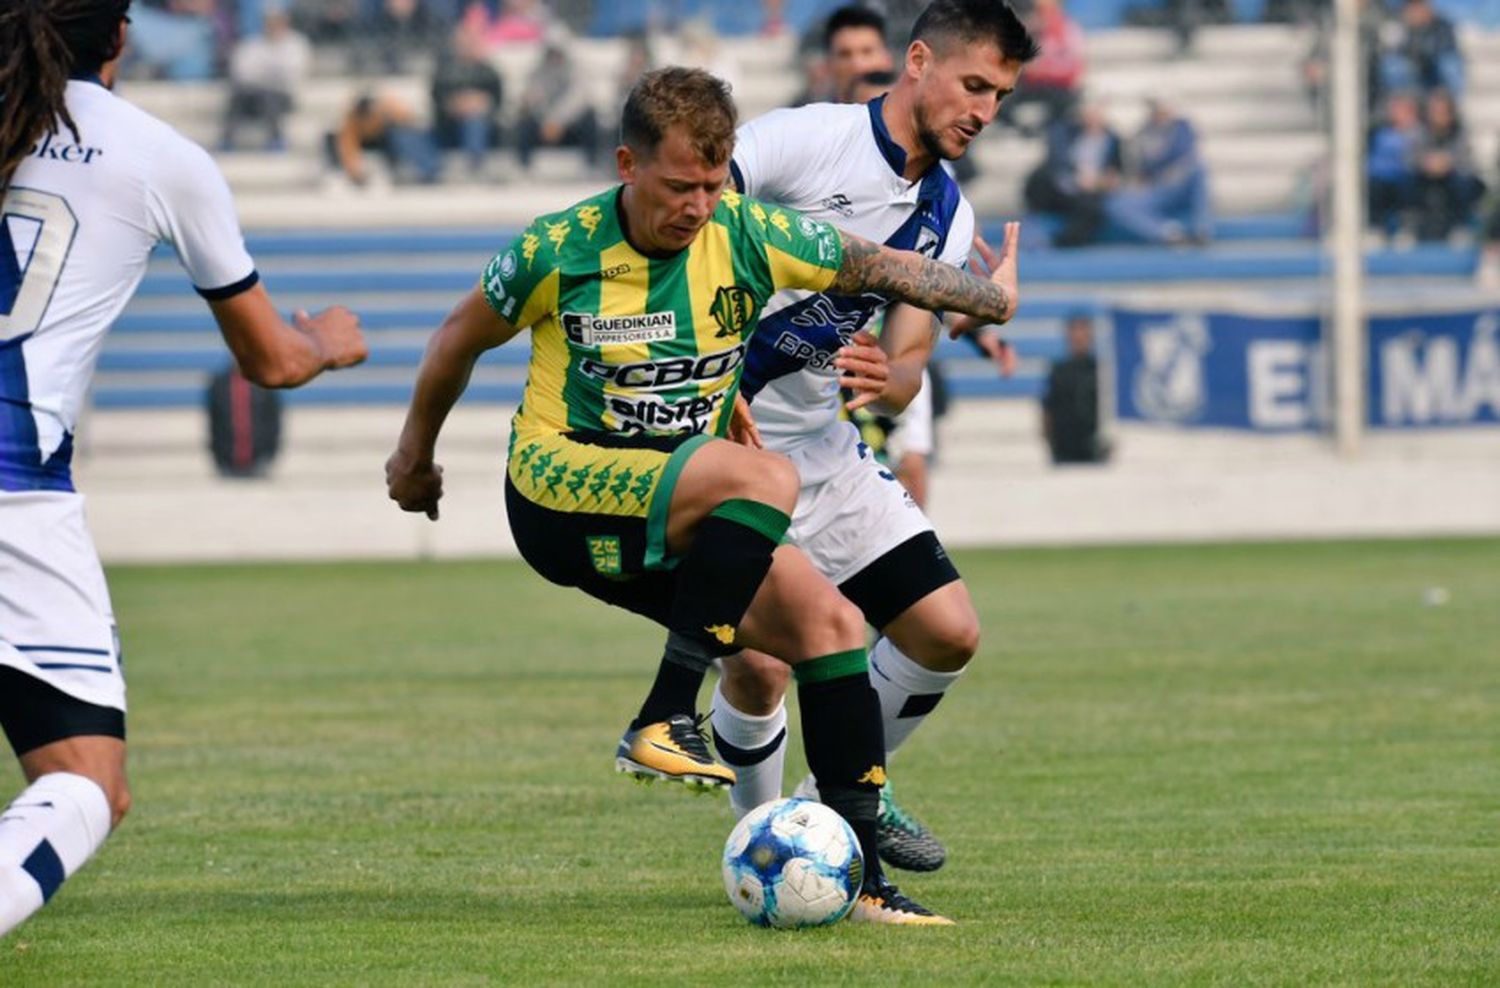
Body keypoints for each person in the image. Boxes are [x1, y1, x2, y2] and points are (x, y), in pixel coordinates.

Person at [384, 67, 1019, 925]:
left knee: (828, 629)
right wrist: (414, 459)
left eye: (713, 187)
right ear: (626, 166)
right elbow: (454, 342)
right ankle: (662, 713)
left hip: (682, 507)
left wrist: (995, 299)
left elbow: (888, 268)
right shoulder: (556, 249)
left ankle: (864, 880)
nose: (697, 206)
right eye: (680, 186)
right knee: (765, 475)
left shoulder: (750, 233)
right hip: (562, 493)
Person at [0, 0, 367, 938]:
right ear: (120, 39)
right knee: (85, 783)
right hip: (14, 498)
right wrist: (323, 341)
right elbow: (269, 362)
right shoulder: (157, 156)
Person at [706, 0, 1035, 876]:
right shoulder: (806, 140)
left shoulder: (948, 213)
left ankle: (832, 800)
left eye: (999, 96)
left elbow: (911, 353)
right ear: (918, 61)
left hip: (824, 451)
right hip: (721, 460)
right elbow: (693, 209)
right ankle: (766, 845)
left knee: (949, 631)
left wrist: (897, 377)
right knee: (763, 672)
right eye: (973, 85)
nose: (983, 110)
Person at [1105, 97, 1212, 246]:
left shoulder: (1183, 129)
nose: (1161, 113)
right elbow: (1138, 172)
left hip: (1181, 186)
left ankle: (1202, 230)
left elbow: (1188, 160)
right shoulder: (1142, 134)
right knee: (1116, 205)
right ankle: (1168, 233)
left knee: (1199, 170)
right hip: (1157, 189)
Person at [1025, 102, 1124, 248]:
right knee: (1040, 179)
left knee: (1091, 209)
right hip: (1063, 184)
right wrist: (1075, 176)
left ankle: (1063, 241)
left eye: (1096, 115)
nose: (1092, 119)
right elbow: (1057, 162)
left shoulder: (1113, 140)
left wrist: (1097, 181)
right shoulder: (1068, 134)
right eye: (1089, 115)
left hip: (1090, 191)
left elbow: (1115, 173)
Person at [220, 4, 312, 152]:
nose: (273, 25)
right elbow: (241, 73)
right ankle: (226, 140)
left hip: (283, 96)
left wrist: (262, 76)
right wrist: (271, 75)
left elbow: (293, 74)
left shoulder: (297, 43)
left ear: (285, 22)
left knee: (269, 96)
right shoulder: (252, 44)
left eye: (277, 21)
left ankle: (276, 139)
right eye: (270, 21)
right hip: (252, 95)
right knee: (237, 97)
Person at [513, 28, 601, 173]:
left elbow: (578, 100)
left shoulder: (577, 71)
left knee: (590, 116)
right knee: (524, 120)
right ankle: (524, 168)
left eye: (558, 52)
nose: (555, 57)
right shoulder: (537, 72)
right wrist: (547, 121)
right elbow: (532, 97)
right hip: (543, 128)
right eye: (552, 52)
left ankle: (591, 165)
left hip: (569, 127)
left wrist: (557, 121)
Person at [430, 23, 505, 177]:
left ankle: (475, 167)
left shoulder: (489, 72)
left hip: (483, 128)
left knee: (475, 123)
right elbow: (436, 100)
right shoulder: (443, 71)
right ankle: (431, 170)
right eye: (463, 42)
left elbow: (498, 102)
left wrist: (481, 103)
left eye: (471, 41)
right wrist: (455, 105)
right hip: (449, 127)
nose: (467, 46)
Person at [1041, 312, 1107, 464]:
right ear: (1068, 335)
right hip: (1064, 451)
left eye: (1083, 331)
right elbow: (1047, 408)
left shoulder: (1101, 371)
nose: (1079, 337)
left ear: (1090, 335)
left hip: (1093, 451)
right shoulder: (1058, 370)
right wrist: (1051, 445)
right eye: (1075, 331)